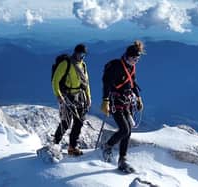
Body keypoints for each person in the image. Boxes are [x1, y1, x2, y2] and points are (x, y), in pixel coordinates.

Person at [101, 40, 144, 172]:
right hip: (115, 102)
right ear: (127, 56)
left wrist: (138, 98)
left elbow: (133, 83)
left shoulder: (131, 67)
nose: (135, 61)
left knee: (128, 130)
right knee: (124, 129)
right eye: (133, 58)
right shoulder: (116, 66)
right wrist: (106, 101)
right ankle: (107, 146)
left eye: (137, 59)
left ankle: (122, 158)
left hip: (126, 102)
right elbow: (106, 83)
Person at [52, 44, 91, 156]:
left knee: (79, 122)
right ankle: (55, 143)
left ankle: (72, 147)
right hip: (67, 96)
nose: (82, 56)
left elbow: (86, 84)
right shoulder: (66, 64)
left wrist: (88, 97)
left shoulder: (83, 65)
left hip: (79, 96)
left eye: (84, 54)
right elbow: (55, 80)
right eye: (80, 54)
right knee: (66, 122)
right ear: (75, 52)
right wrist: (58, 95)